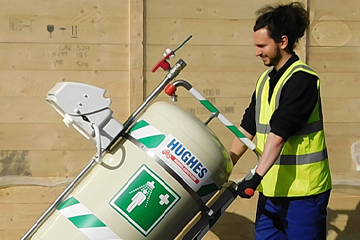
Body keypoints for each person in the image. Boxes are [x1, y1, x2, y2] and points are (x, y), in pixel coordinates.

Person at [229, 2, 332, 240]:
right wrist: (225, 167)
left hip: (303, 193)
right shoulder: (265, 81)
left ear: (282, 42)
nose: (257, 52)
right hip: (272, 190)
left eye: (262, 46)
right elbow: (247, 128)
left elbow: (278, 134)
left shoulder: (302, 80)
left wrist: (254, 178)